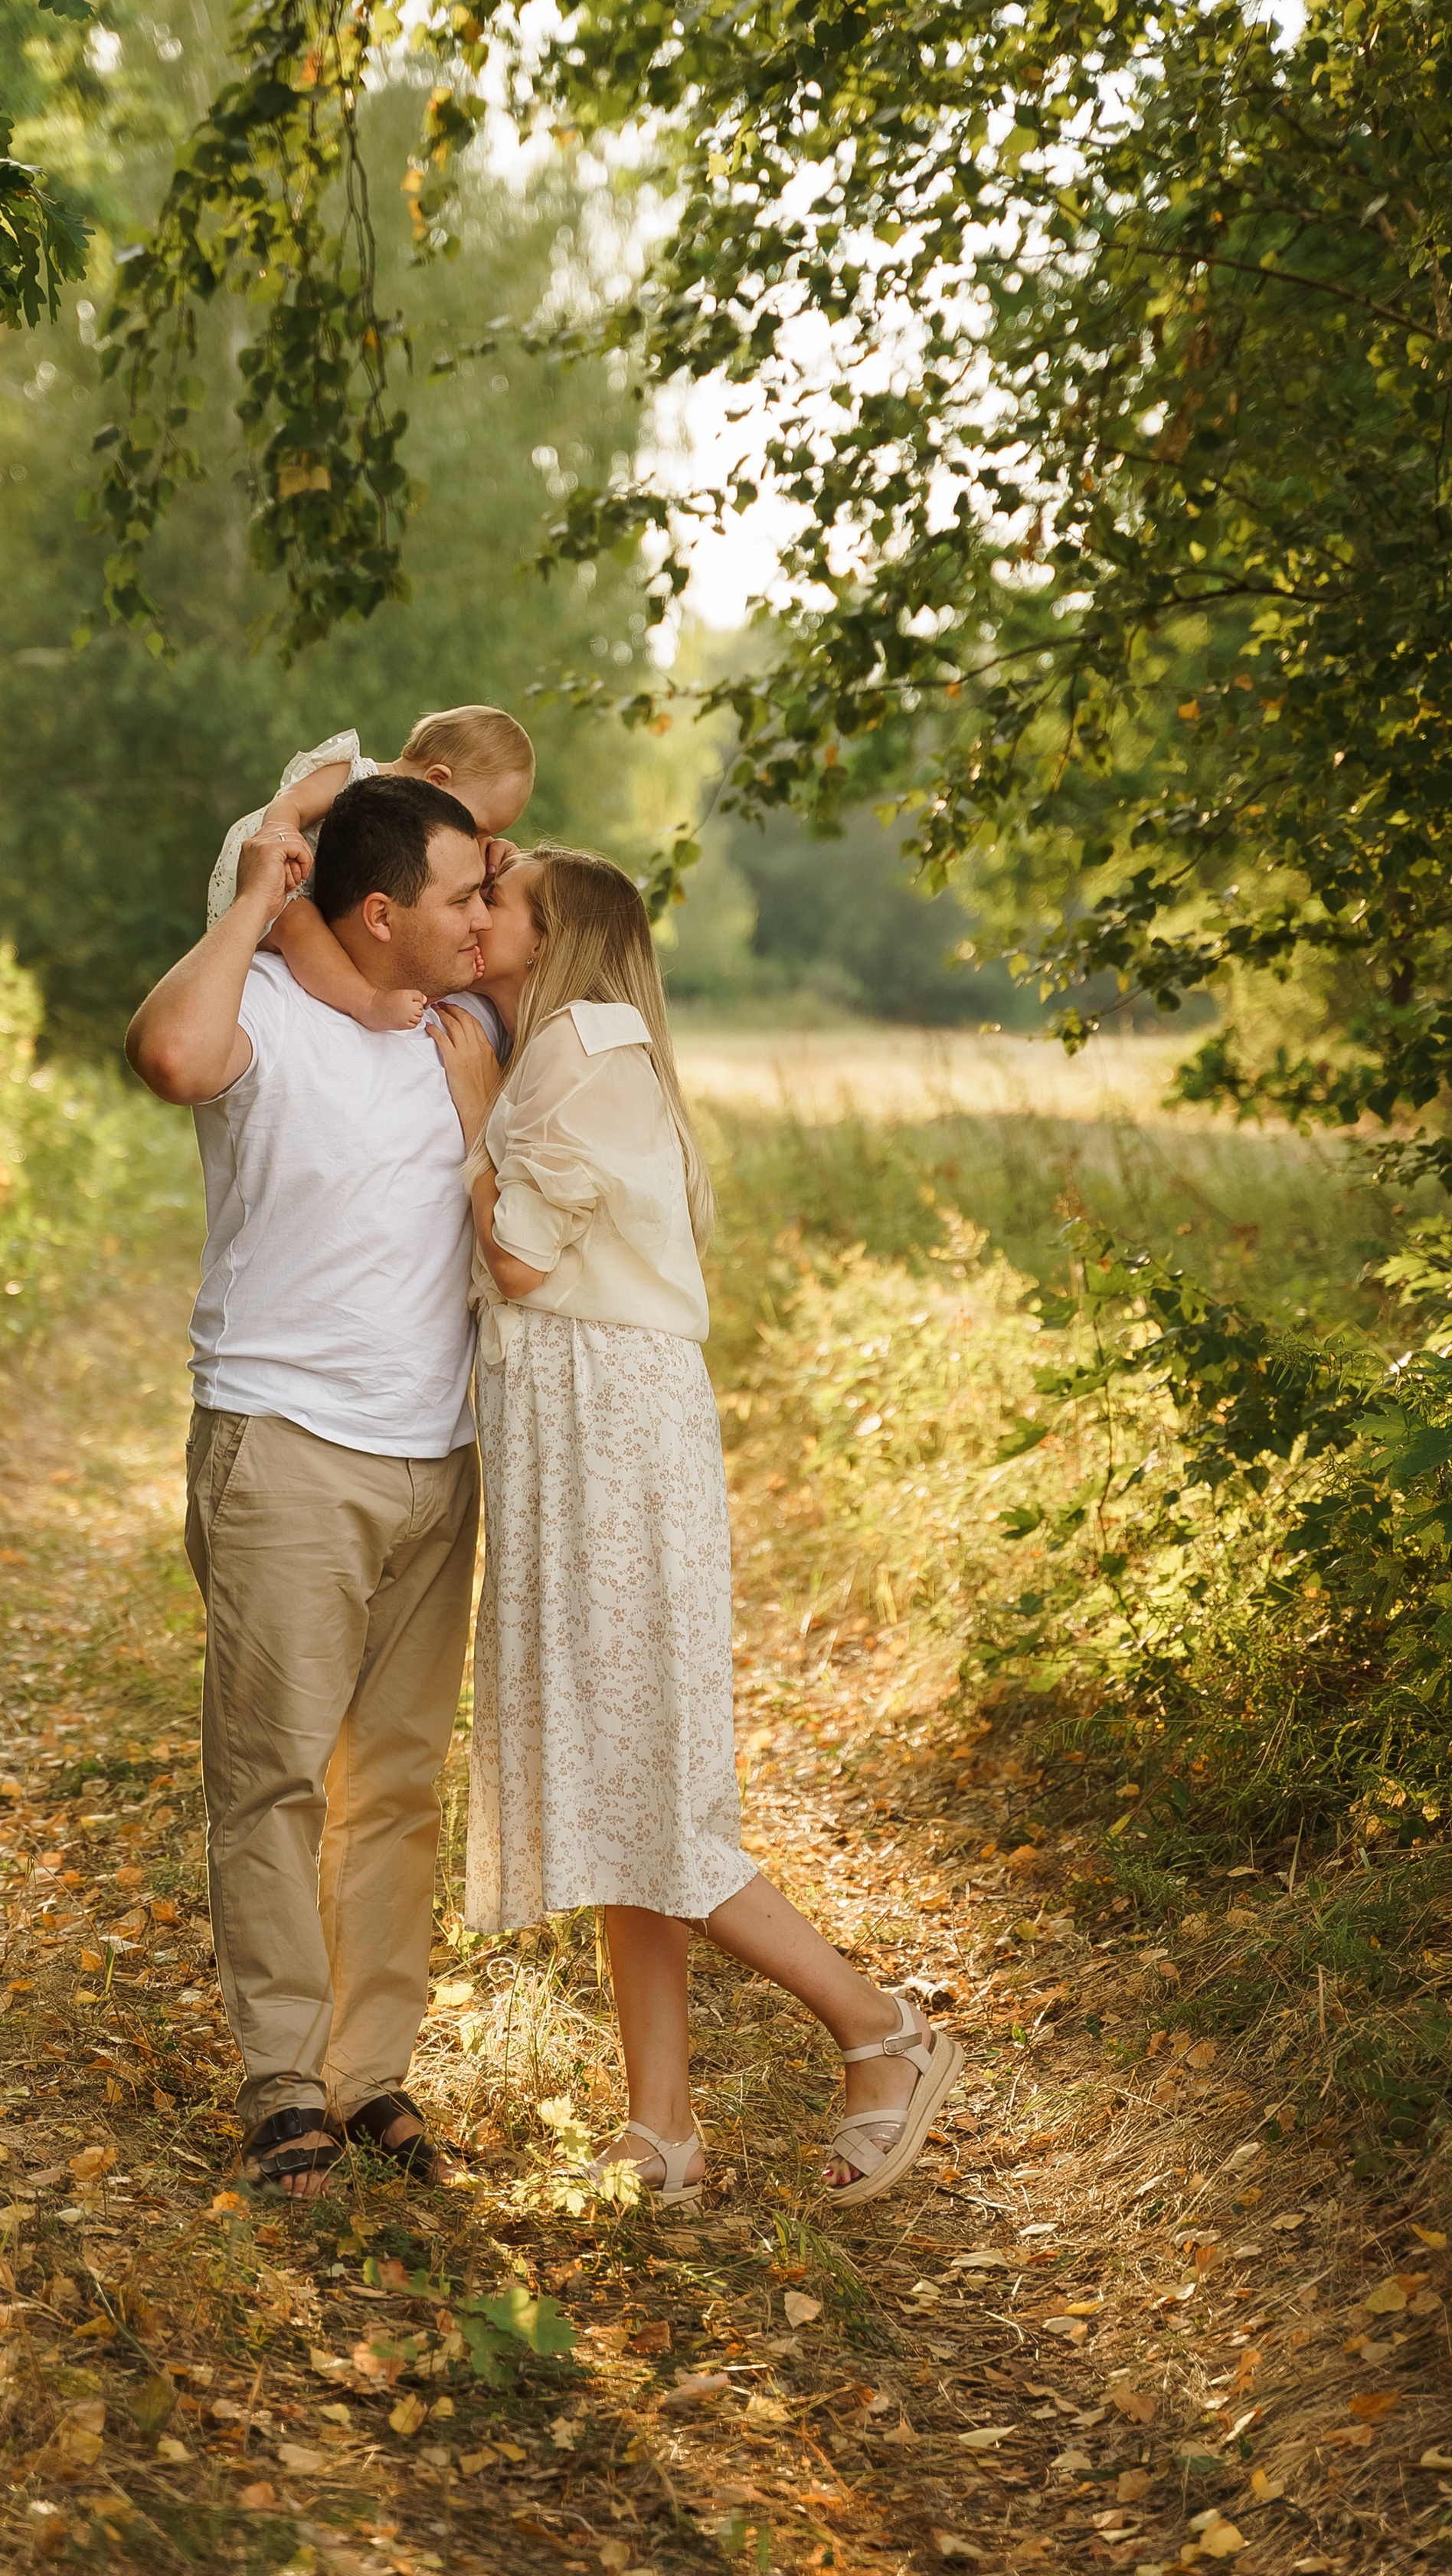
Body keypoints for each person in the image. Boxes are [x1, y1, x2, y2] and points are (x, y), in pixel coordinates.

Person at [427, 848, 963, 2206]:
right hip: (585, 1432)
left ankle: (878, 2030)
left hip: (612, 1436)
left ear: (562, 940)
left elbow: (522, 1259)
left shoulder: (577, 1051)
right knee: (620, 1781)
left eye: (503, 903)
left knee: (653, 1792)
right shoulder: (572, 1045)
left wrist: (478, 1107)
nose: (477, 917)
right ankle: (661, 2125)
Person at [126, 775, 498, 2197]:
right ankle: (285, 2083)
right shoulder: (259, 1015)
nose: (481, 915)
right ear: (382, 910)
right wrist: (256, 897)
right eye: (459, 895)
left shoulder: (454, 1033)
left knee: (396, 1787)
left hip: (435, 1461)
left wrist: (486, 871)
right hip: (284, 1450)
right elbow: (168, 1053)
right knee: (273, 1777)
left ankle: (371, 2075)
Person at [206, 706, 535, 1036]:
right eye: (479, 828)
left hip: (330, 888)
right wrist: (281, 837)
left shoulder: (419, 829)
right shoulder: (352, 775)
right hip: (275, 873)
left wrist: (497, 863)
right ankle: (365, 1002)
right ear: (437, 781)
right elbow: (292, 802)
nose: (480, 839)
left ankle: (422, 993)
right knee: (298, 924)